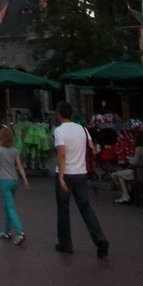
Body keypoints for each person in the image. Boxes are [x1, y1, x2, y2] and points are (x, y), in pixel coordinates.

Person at [54, 101, 108, 258]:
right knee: (85, 208)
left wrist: (61, 176)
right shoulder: (82, 129)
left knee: (63, 210)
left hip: (66, 173)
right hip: (81, 173)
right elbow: (92, 149)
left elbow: (61, 154)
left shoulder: (59, 131)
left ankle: (66, 243)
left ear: (59, 114)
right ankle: (100, 239)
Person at [0, 126, 29, 245]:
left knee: (10, 207)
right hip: (15, 180)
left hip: (4, 180)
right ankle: (6, 230)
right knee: (7, 205)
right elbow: (20, 166)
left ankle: (20, 231)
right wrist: (25, 180)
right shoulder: (15, 150)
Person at [112, 131, 143, 203]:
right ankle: (126, 194)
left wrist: (129, 160)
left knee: (117, 175)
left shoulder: (139, 149)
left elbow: (135, 162)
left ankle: (125, 195)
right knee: (119, 175)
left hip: (139, 172)